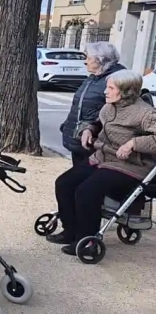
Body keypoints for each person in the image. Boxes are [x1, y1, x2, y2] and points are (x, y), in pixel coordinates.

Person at [50, 70, 156, 255]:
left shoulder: (145, 113)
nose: (105, 91)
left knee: (87, 190)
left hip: (129, 164)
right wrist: (89, 130)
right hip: (102, 157)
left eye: (110, 88)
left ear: (125, 91)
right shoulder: (109, 106)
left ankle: (87, 241)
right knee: (64, 183)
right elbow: (99, 122)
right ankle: (70, 230)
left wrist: (134, 143)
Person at [60, 42, 125, 166]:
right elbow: (80, 104)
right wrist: (67, 125)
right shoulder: (93, 78)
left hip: (94, 141)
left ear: (100, 60)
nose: (86, 62)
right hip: (79, 138)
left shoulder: (115, 80)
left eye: (89, 58)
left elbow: (115, 110)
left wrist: (92, 129)